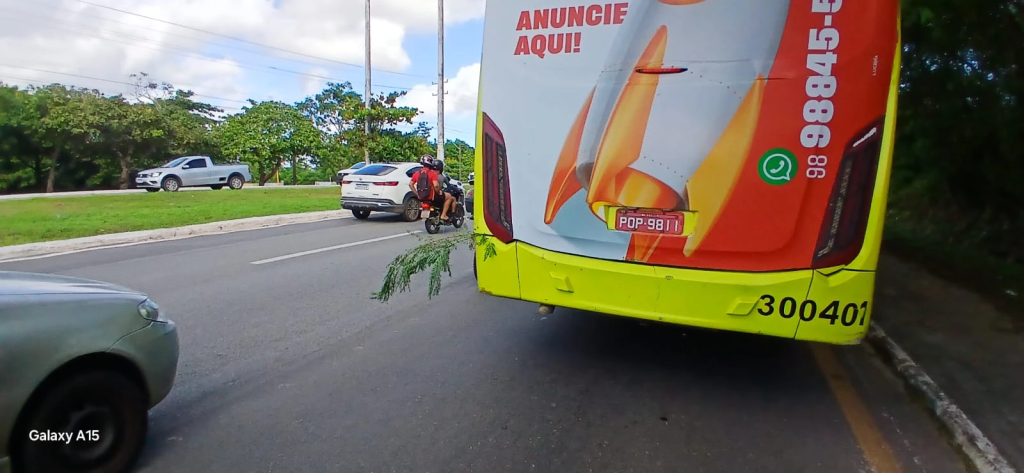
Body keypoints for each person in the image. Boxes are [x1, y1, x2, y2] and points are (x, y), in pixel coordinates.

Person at [409, 155, 449, 220]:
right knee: (449, 197)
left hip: (421, 197)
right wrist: (439, 192)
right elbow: (436, 186)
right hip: (432, 197)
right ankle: (443, 215)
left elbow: (411, 184)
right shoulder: (432, 173)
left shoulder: (416, 173)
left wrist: (417, 194)